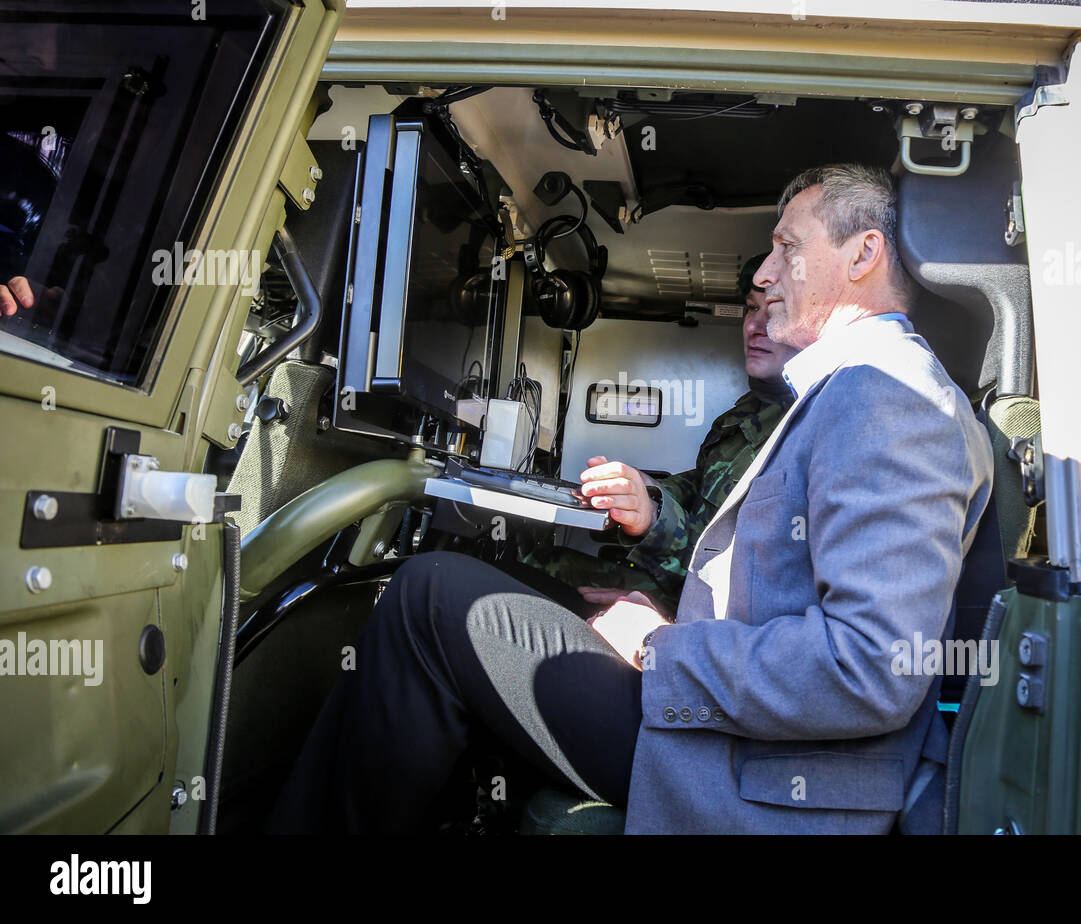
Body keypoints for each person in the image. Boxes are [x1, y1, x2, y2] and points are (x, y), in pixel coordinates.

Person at [267, 163, 994, 835]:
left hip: (756, 776)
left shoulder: (889, 398)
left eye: (786, 247)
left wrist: (660, 648)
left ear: (862, 256)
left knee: (429, 598)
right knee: (509, 587)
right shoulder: (861, 390)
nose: (769, 273)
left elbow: (870, 669)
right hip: (740, 733)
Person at [512, 266, 797, 618]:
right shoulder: (750, 411)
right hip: (683, 588)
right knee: (534, 563)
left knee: (527, 582)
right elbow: (702, 486)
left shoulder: (805, 427)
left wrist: (653, 520)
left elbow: (745, 577)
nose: (755, 326)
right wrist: (645, 489)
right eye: (753, 308)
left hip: (706, 615)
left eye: (775, 310)